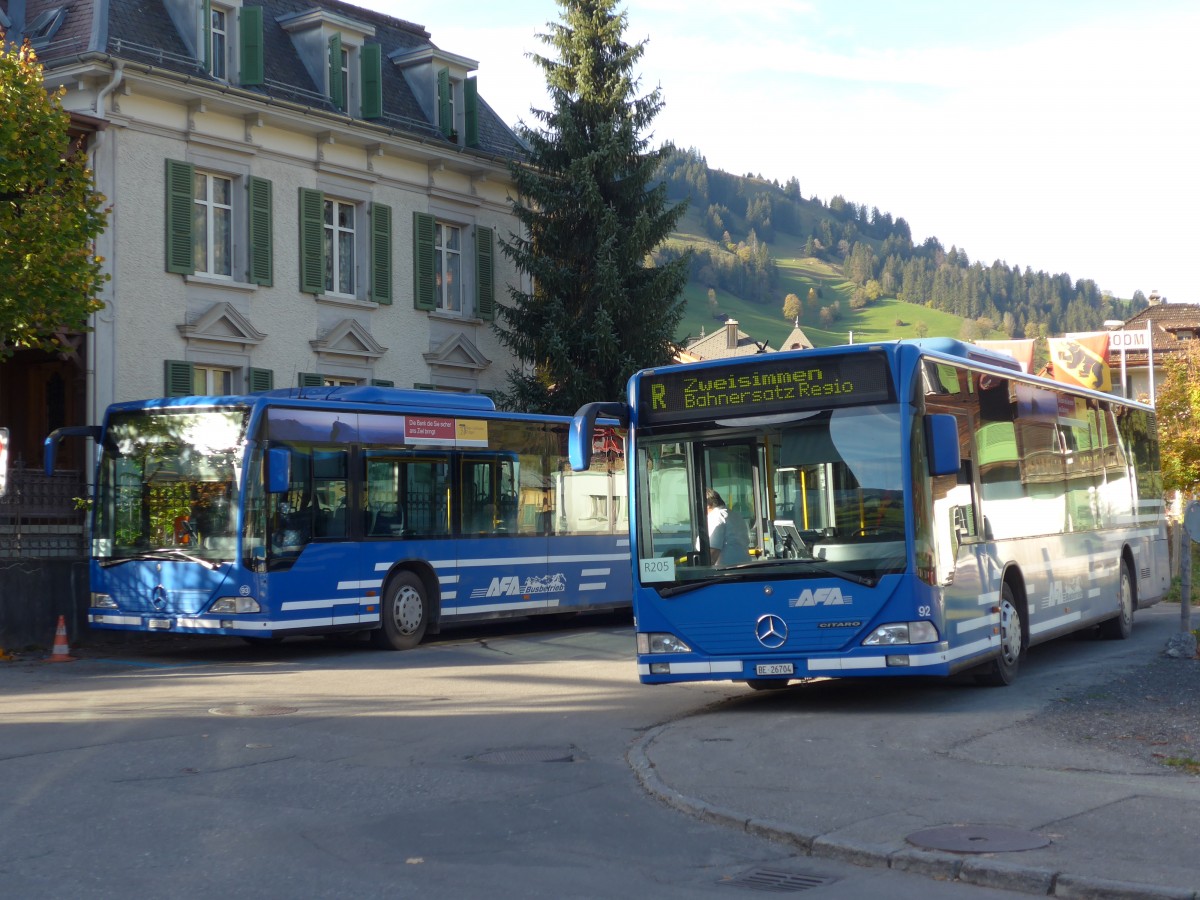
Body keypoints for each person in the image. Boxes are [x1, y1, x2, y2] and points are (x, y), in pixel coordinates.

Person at [705, 488, 751, 566]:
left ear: (708, 505)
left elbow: (713, 551)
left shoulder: (715, 516)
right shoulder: (735, 515)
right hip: (744, 565)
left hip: (726, 570)